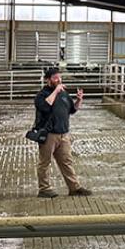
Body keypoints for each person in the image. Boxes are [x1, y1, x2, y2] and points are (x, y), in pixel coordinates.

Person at [34, 67, 92, 198]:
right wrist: (55, 91)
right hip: (48, 134)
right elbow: (45, 106)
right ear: (47, 80)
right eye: (55, 77)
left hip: (63, 134)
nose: (58, 79)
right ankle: (44, 189)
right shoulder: (42, 95)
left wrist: (79, 100)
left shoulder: (64, 94)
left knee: (67, 161)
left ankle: (74, 188)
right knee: (44, 163)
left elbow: (72, 110)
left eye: (59, 77)